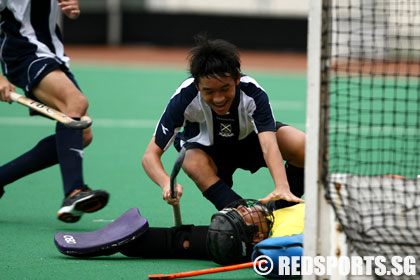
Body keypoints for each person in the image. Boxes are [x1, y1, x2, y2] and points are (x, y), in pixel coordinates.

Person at [142, 35, 305, 210]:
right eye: (209, 91)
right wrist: (167, 183)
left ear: (237, 79)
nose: (218, 98)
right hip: (209, 150)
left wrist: (282, 186)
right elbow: (150, 156)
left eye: (225, 88)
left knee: (302, 144)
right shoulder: (184, 97)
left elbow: (269, 145)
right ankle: (240, 214)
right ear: (197, 85)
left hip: (249, 142)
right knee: (191, 161)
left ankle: (283, 205)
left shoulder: (253, 93)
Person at [0, 0, 109, 223]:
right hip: (23, 53)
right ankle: (74, 192)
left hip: (51, 53)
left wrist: (73, 8)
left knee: (82, 134)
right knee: (75, 103)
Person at [56, 199, 305, 266]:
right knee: (183, 238)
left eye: (242, 212)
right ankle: (126, 241)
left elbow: (278, 259)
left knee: (187, 241)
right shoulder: (273, 217)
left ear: (258, 237)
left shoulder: (280, 238)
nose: (242, 206)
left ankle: (128, 245)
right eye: (242, 211)